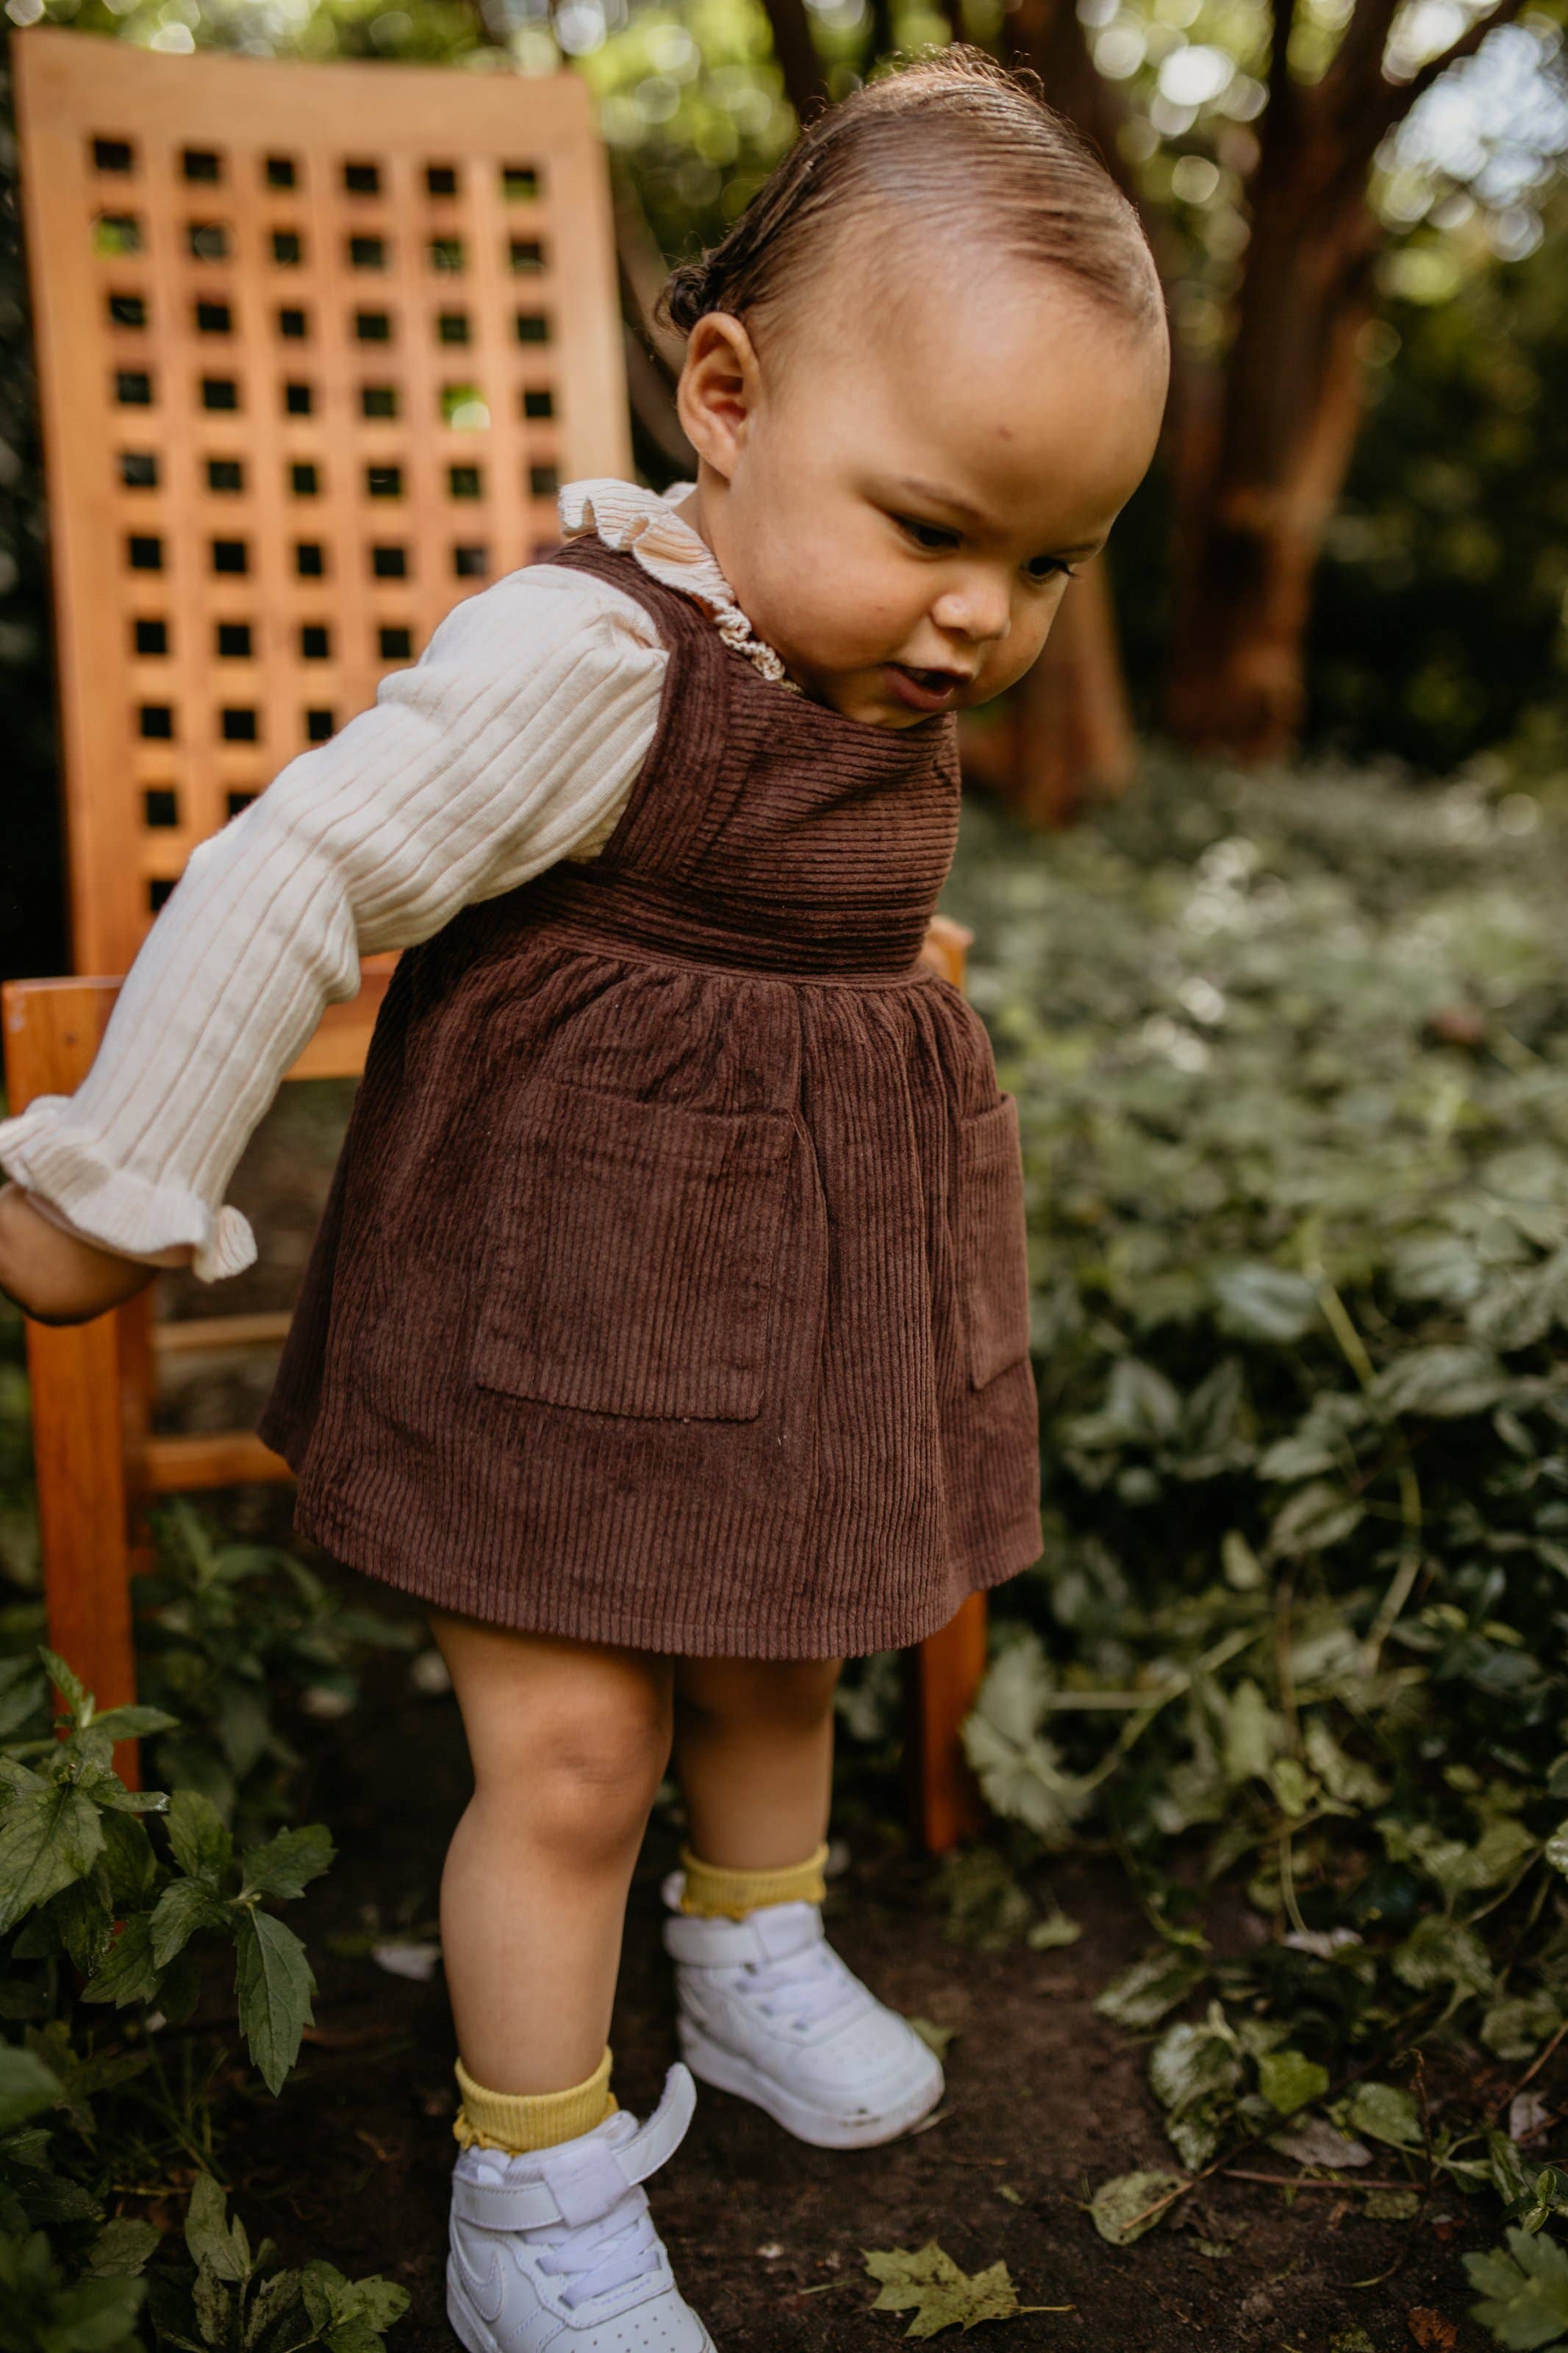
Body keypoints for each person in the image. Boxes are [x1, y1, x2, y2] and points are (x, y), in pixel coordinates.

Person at [0, 43, 1167, 2350]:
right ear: (721, 396)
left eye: (1048, 564)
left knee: (785, 1637)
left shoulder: (853, 649)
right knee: (575, 1751)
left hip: (794, 1293)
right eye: (934, 530)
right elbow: (299, 865)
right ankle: (529, 2189)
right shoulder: (589, 657)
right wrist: (108, 1179)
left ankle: (747, 1954)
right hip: (564, 1289)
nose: (980, 622)